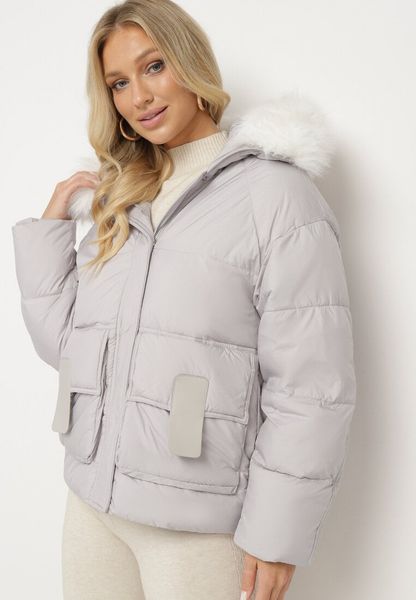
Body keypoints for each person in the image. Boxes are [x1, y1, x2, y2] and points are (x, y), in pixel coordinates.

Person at [11, 1, 357, 599]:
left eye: (154, 66)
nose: (139, 96)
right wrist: (50, 231)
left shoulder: (275, 196)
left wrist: (277, 533)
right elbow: (68, 349)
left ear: (191, 65)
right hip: (93, 506)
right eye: (119, 83)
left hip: (197, 525)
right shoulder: (123, 198)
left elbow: (311, 384)